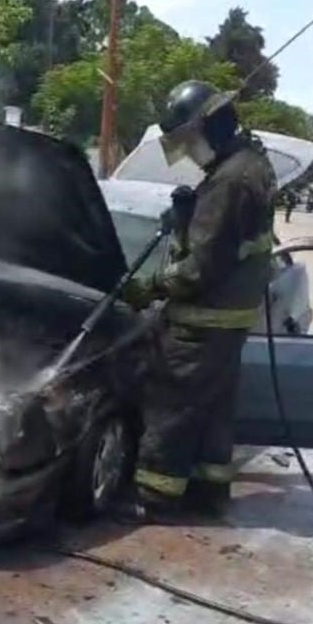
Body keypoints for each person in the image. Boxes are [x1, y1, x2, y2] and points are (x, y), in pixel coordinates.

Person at [118, 80, 277, 521]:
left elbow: (198, 271)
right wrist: (191, 218)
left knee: (171, 407)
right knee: (212, 413)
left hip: (200, 325)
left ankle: (154, 500)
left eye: (189, 141)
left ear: (209, 127)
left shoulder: (228, 183)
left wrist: (147, 289)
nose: (188, 152)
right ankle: (209, 494)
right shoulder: (251, 165)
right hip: (229, 322)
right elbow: (232, 244)